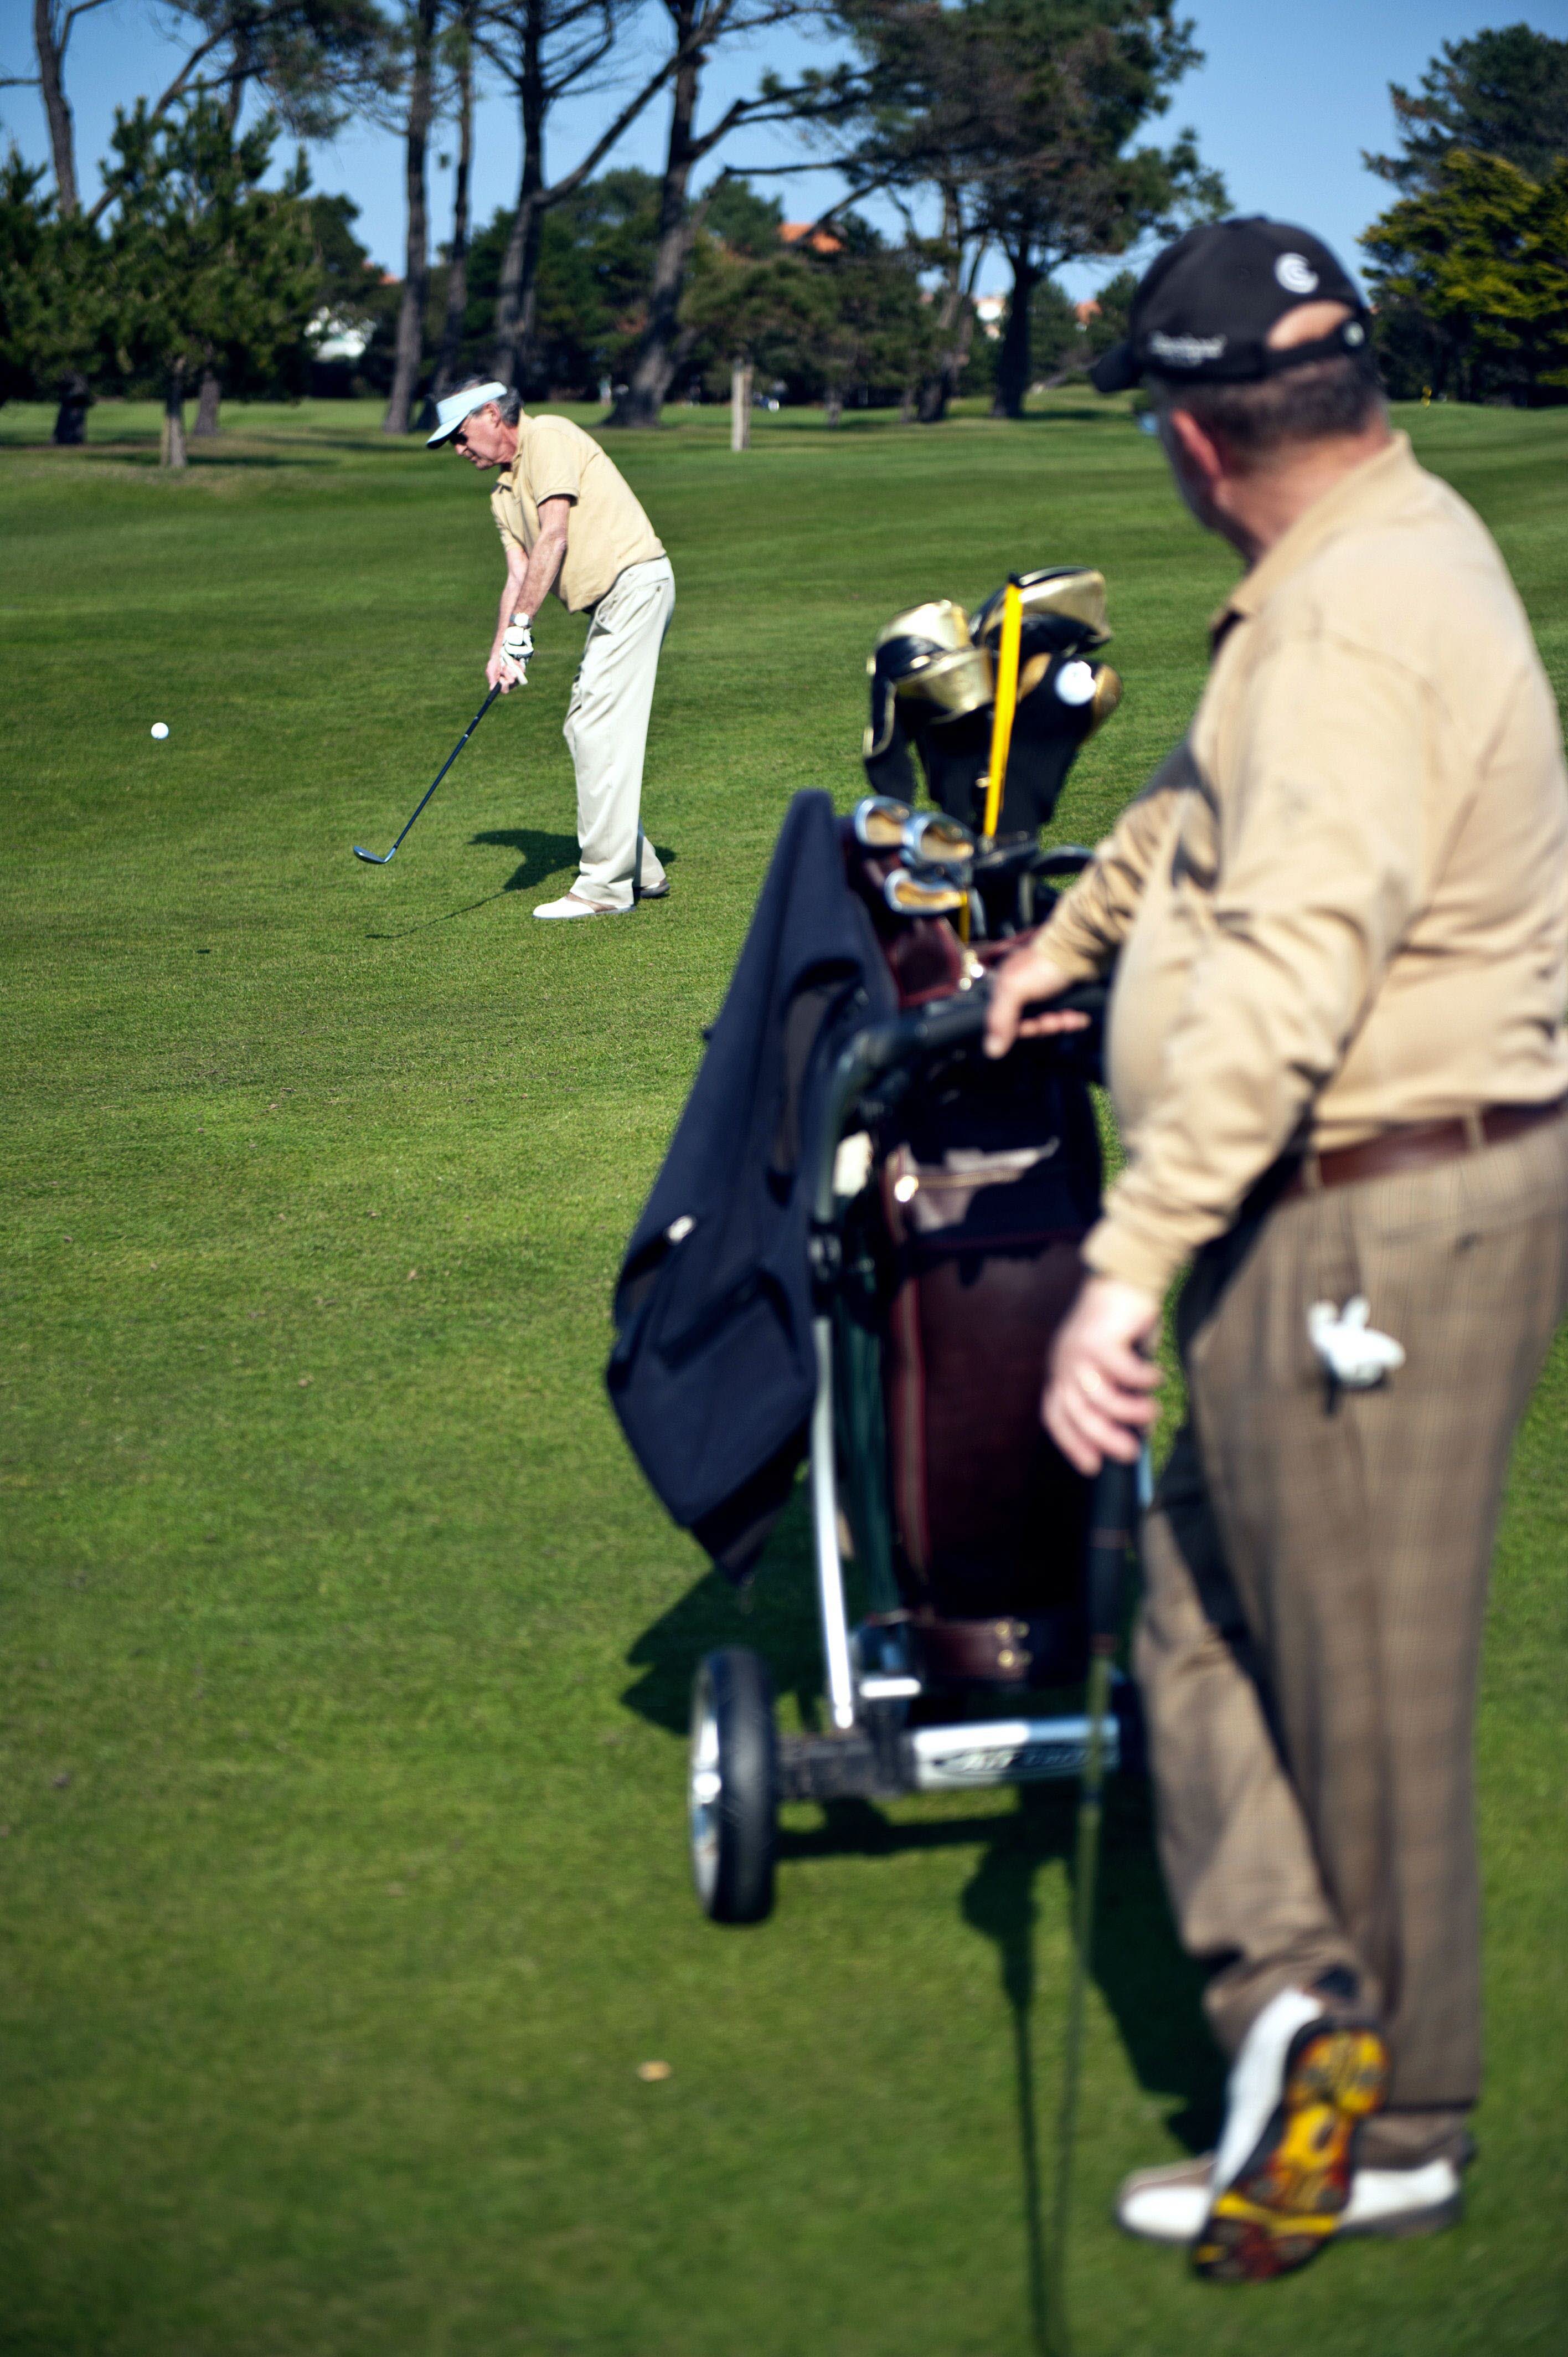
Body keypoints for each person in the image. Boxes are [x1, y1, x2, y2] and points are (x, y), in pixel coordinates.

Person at [985, 217, 1568, 2285]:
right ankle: (1303, 2010)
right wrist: (1058, 951)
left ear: (1186, 439)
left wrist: (1122, 1270)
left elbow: (1294, 966)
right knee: (1194, 1607)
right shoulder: (1350, 560)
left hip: (1379, 1219)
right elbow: (1192, 812)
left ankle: (1391, 2120)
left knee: (1362, 1690)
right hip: (1332, 1206)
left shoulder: (1345, 626)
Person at [426, 378, 674, 919]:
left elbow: (554, 535)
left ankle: (604, 889)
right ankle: (641, 869)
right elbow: (518, 573)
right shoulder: (501, 494)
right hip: (609, 605)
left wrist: (523, 626)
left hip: (637, 584)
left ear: (491, 414)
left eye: (461, 435)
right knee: (585, 729)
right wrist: (502, 651)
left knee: (594, 726)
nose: (459, 449)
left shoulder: (550, 437)